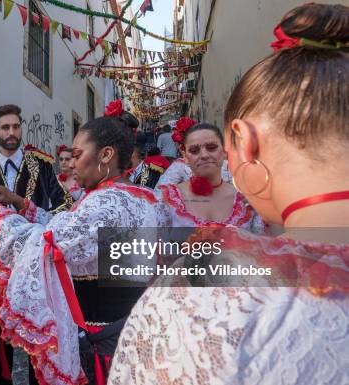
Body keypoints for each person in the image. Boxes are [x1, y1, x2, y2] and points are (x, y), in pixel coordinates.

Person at [109, 3, 349, 384]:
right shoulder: (166, 193)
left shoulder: (191, 302)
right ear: (183, 156)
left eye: (214, 148)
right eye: (194, 150)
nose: (205, 155)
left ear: (241, 147)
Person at [0, 103, 159, 385]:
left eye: (79, 155)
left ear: (106, 155)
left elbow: (46, 243)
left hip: (104, 340)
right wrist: (22, 205)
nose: (71, 163)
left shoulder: (106, 203)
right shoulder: (136, 195)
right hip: (126, 328)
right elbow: (67, 228)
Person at [156, 122, 265, 232]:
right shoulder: (167, 200)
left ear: (224, 151)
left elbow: (261, 244)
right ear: (185, 157)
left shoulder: (245, 202)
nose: (204, 155)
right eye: (194, 151)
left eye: (211, 147)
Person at [0, 104, 73, 213]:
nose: (12, 132)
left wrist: (43, 223)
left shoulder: (42, 164)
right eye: (5, 128)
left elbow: (66, 203)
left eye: (16, 127)